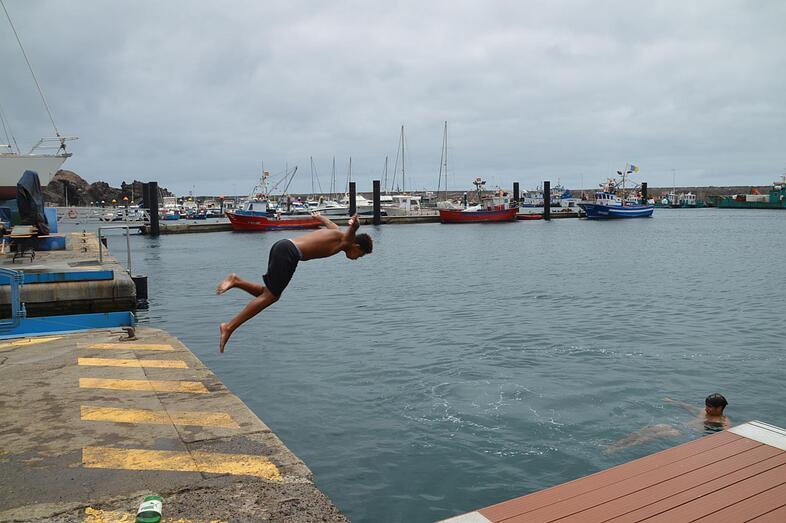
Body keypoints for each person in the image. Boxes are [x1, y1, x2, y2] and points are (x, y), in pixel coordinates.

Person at [215, 213, 372, 353]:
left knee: (268, 293)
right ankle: (229, 327)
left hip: (282, 246)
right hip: (289, 253)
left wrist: (319, 217)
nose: (357, 258)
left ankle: (236, 281)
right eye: (360, 255)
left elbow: (330, 224)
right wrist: (355, 225)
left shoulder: (337, 231)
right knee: (271, 297)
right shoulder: (346, 241)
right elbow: (350, 235)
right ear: (356, 246)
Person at [604, 393, 730, 454]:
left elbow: (729, 432)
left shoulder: (722, 420)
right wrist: (672, 401)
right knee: (652, 428)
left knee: (654, 435)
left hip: (686, 433)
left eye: (710, 407)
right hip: (680, 425)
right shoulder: (703, 411)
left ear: (719, 408)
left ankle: (620, 449)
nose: (707, 408)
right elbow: (687, 407)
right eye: (706, 405)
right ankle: (615, 444)